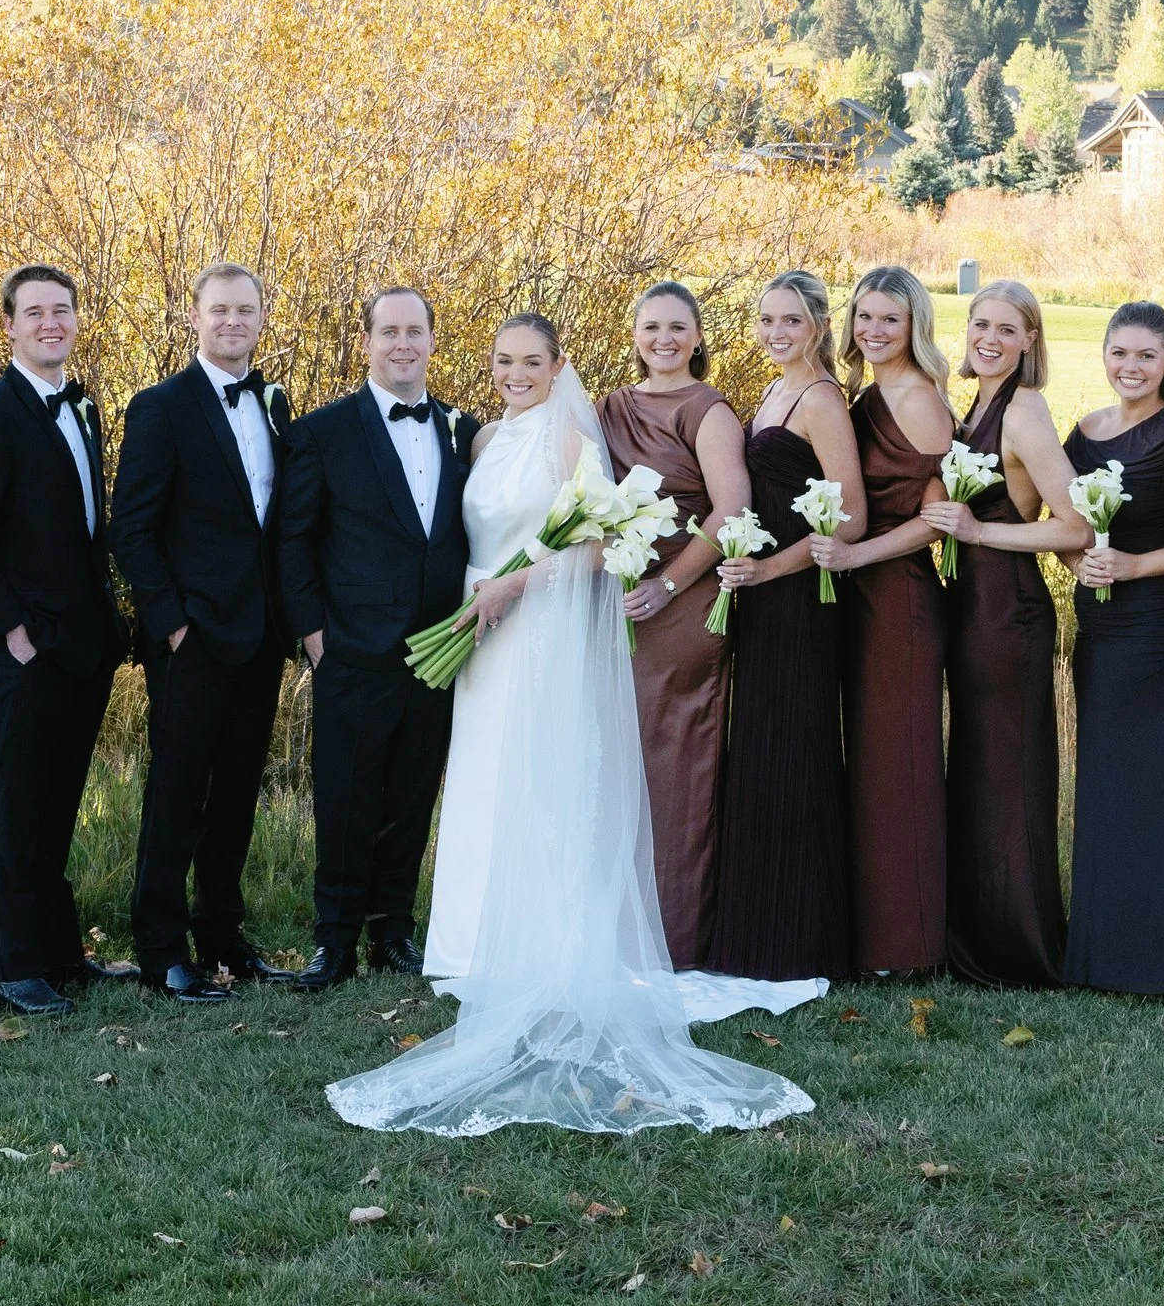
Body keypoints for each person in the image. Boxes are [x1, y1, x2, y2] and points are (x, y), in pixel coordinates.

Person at [327, 314, 819, 1137]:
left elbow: (605, 543)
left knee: (536, 778)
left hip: (539, 626)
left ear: (559, 367)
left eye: (531, 362)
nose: (516, 374)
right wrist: (484, 592)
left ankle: (538, 945)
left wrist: (515, 585)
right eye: (503, 361)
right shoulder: (483, 439)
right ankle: (465, 943)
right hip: (480, 629)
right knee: (482, 776)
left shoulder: (567, 443)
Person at [0, 263, 128, 1019]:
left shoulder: (81, 409)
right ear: (10, 326)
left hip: (81, 644)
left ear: (76, 320)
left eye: (63, 310)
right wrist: (9, 630)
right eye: (35, 312)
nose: (51, 322)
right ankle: (13, 965)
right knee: (16, 806)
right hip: (22, 647)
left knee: (57, 803)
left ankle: (56, 950)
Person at [275, 286, 476, 991]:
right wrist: (314, 637)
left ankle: (395, 931)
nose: (402, 344)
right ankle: (334, 942)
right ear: (366, 341)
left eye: (414, 330)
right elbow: (293, 541)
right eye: (388, 331)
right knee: (345, 799)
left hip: (442, 651)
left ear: (430, 339)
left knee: (412, 797)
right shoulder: (321, 432)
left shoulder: (463, 429)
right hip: (353, 651)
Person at [110, 263, 297, 1005]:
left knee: (238, 793)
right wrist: (172, 625)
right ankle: (161, 947)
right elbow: (133, 526)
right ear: (194, 317)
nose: (232, 322)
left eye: (245, 310)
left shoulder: (277, 405)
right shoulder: (160, 407)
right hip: (192, 638)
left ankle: (223, 934)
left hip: (258, 637)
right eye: (218, 310)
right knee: (178, 791)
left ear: (260, 318)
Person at [1059, 302, 1164, 997]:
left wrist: (1136, 566)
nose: (1129, 367)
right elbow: (1066, 525)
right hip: (1099, 626)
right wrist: (1083, 565)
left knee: (1154, 786)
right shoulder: (1085, 432)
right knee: (1105, 783)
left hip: (1160, 627)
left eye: (1144, 356)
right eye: (1118, 353)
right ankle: (1102, 955)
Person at [918, 281, 1077, 989]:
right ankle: (973, 933)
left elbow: (1075, 524)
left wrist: (983, 529)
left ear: (1029, 341)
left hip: (1008, 612)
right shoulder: (972, 404)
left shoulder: (1025, 411)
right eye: (979, 322)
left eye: (1006, 328)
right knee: (977, 770)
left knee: (1008, 774)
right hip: (968, 610)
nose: (988, 337)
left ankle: (1018, 946)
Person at [711, 271, 863, 983]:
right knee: (761, 752)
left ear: (821, 326)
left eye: (791, 320)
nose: (776, 332)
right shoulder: (771, 389)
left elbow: (851, 515)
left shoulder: (822, 398)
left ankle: (800, 940)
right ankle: (754, 932)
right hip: (760, 596)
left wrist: (768, 572)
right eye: (766, 319)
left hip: (801, 598)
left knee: (794, 751)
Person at [595, 281, 748, 968]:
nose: (663, 338)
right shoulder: (609, 407)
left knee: (675, 768)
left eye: (677, 326)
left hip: (682, 601)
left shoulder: (707, 409)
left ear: (696, 335)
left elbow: (731, 511)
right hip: (619, 601)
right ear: (634, 333)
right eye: (651, 325)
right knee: (617, 766)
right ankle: (619, 928)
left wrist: (668, 582)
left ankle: (679, 938)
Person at [824, 265, 951, 975]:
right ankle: (875, 931)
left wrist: (855, 554)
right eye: (864, 317)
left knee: (898, 766)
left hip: (899, 595)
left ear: (914, 328)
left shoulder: (919, 399)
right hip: (863, 596)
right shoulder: (869, 392)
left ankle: (911, 944)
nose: (873, 330)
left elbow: (934, 520)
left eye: (889, 320)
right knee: (871, 766)